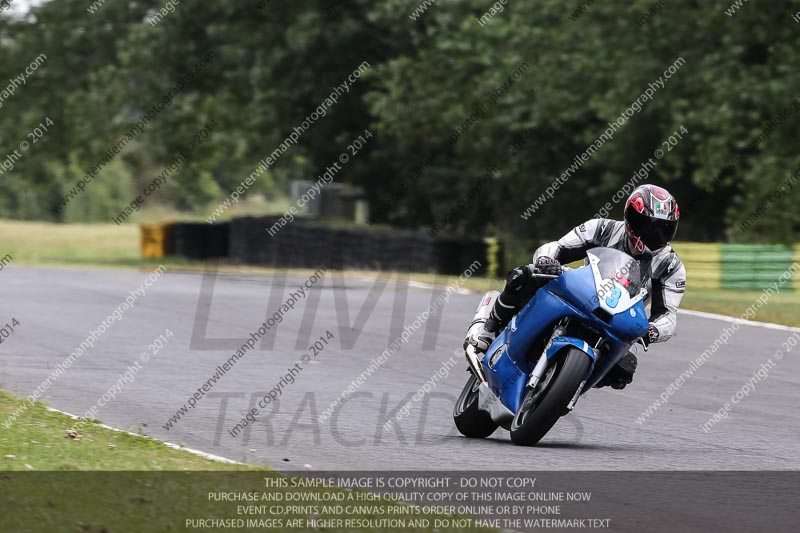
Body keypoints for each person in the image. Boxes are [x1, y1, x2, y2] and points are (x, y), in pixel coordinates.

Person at [466, 184, 686, 389]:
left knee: (624, 369)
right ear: (631, 218)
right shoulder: (602, 228)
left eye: (664, 229)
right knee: (525, 276)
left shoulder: (670, 266)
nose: (655, 235)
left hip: (619, 319)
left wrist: (654, 330)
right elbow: (557, 247)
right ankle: (486, 330)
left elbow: (668, 314)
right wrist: (546, 261)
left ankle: (566, 388)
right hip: (582, 292)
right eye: (648, 225)